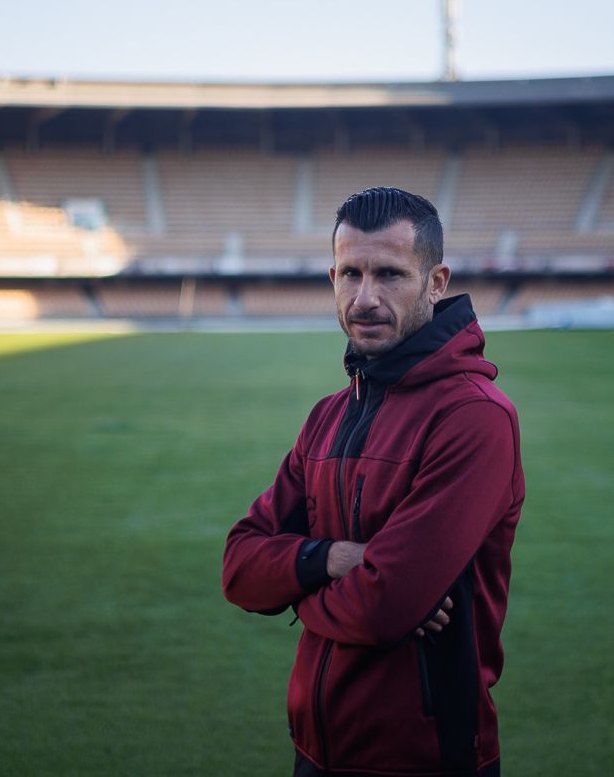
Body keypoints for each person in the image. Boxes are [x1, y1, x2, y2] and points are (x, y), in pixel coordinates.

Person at [222, 186, 525, 777]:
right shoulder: (328, 415)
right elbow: (238, 567)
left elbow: (383, 608)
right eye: (350, 274)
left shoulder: (474, 417)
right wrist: (334, 559)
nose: (365, 298)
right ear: (332, 277)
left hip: (425, 759)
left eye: (389, 274)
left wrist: (294, 584)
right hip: (316, 749)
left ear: (436, 283)